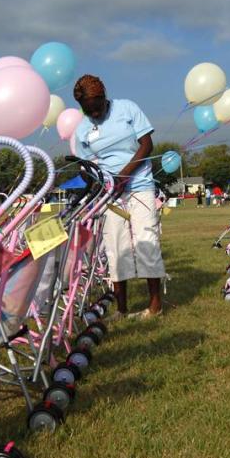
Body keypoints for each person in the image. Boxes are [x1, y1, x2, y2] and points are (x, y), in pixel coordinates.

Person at [72, 75, 165, 318]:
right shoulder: (82, 129)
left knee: (147, 240)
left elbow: (147, 145)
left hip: (140, 186)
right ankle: (121, 309)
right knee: (115, 246)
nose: (94, 114)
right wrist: (97, 183)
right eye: (87, 111)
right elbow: (85, 165)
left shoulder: (127, 108)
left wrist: (123, 177)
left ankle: (154, 306)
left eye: (97, 108)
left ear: (104, 98)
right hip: (109, 195)